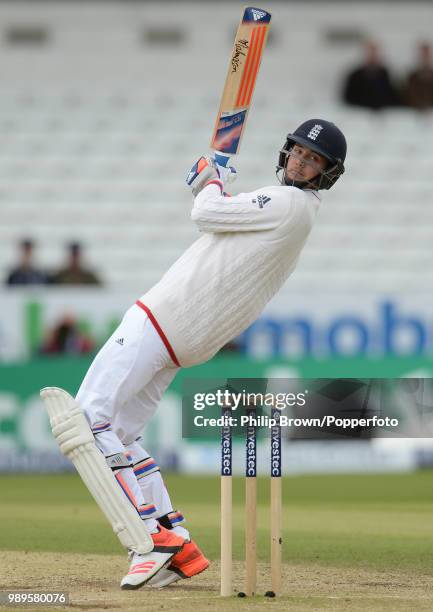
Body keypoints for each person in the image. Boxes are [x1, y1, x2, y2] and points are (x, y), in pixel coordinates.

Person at [70, 119, 347, 589]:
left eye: (313, 159)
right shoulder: (290, 210)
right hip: (183, 337)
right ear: (287, 152)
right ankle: (177, 539)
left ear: (327, 172)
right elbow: (220, 215)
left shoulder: (289, 203)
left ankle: (149, 540)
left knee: (86, 422)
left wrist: (209, 178)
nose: (301, 161)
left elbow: (207, 214)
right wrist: (215, 182)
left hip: (161, 319)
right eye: (298, 151)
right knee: (123, 433)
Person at [342, 40, 400, 110]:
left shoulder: (385, 74)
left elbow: (393, 97)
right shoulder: (355, 76)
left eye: (375, 52)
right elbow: (348, 99)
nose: (373, 55)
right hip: (360, 114)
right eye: (370, 52)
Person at [402, 41, 433, 110]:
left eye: (427, 54)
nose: (425, 57)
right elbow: (410, 96)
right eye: (423, 54)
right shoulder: (412, 77)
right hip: (416, 112)